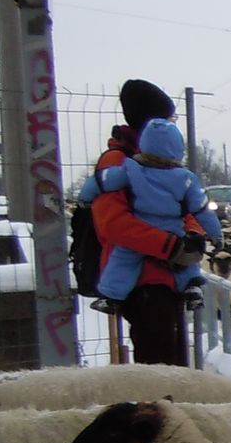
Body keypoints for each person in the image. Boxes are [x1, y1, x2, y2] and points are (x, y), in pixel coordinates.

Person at [89, 80, 208, 365]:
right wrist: (171, 246)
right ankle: (157, 408)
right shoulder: (116, 162)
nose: (172, 125)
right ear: (151, 123)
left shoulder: (157, 161)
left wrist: (193, 234)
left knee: (176, 360)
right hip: (142, 281)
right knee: (159, 364)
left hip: (169, 278)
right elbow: (114, 223)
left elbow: (181, 206)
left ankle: (172, 407)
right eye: (169, 119)